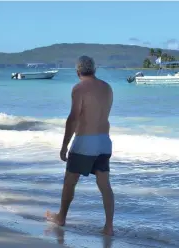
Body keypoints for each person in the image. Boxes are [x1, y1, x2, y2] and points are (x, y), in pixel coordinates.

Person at [46, 55, 115, 236]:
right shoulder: (107, 88)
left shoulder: (79, 88)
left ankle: (61, 217)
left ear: (77, 71)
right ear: (94, 69)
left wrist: (64, 145)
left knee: (70, 181)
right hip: (104, 141)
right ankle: (109, 227)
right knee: (104, 184)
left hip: (86, 141)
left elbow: (74, 118)